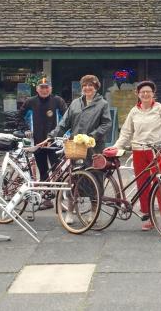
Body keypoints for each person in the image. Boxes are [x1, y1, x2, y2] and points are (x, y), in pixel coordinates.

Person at [105, 80, 161, 232]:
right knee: (143, 184)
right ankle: (148, 217)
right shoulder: (134, 111)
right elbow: (126, 132)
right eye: (142, 92)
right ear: (137, 94)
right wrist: (117, 146)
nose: (145, 94)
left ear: (153, 94)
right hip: (138, 150)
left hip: (158, 150)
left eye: (148, 92)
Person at [48, 75, 112, 222]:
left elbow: (106, 124)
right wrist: (52, 135)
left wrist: (92, 136)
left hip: (94, 148)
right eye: (85, 85)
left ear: (96, 87)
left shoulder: (102, 104)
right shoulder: (75, 103)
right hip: (76, 147)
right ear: (82, 87)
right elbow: (64, 123)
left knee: (95, 177)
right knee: (74, 178)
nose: (87, 88)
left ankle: (94, 211)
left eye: (91, 85)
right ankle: (70, 210)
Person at [18, 77, 68, 209]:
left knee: (58, 171)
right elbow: (19, 117)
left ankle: (60, 200)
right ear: (37, 89)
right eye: (42, 87)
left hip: (54, 143)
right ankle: (47, 199)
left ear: (51, 88)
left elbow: (67, 118)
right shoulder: (30, 102)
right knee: (43, 171)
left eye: (47, 87)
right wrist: (26, 129)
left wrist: (66, 135)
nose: (44, 90)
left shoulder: (58, 101)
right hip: (38, 143)